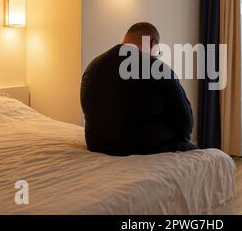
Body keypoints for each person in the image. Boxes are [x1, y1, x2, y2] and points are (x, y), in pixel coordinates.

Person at [80, 22, 198, 156]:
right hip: (145, 147)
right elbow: (186, 123)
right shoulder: (156, 68)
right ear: (153, 43)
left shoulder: (93, 66)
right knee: (202, 154)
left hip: (97, 145)